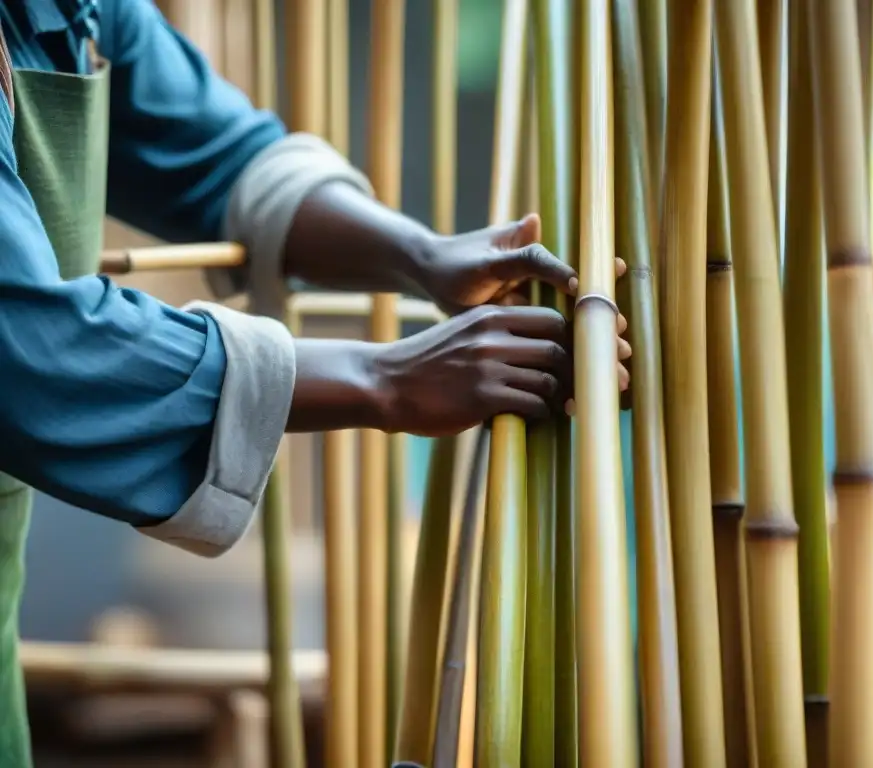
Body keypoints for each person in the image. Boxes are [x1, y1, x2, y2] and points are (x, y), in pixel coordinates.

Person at [0, 1, 630, 763]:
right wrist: (387, 377)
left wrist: (422, 253)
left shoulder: (81, 10)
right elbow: (32, 347)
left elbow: (219, 155)